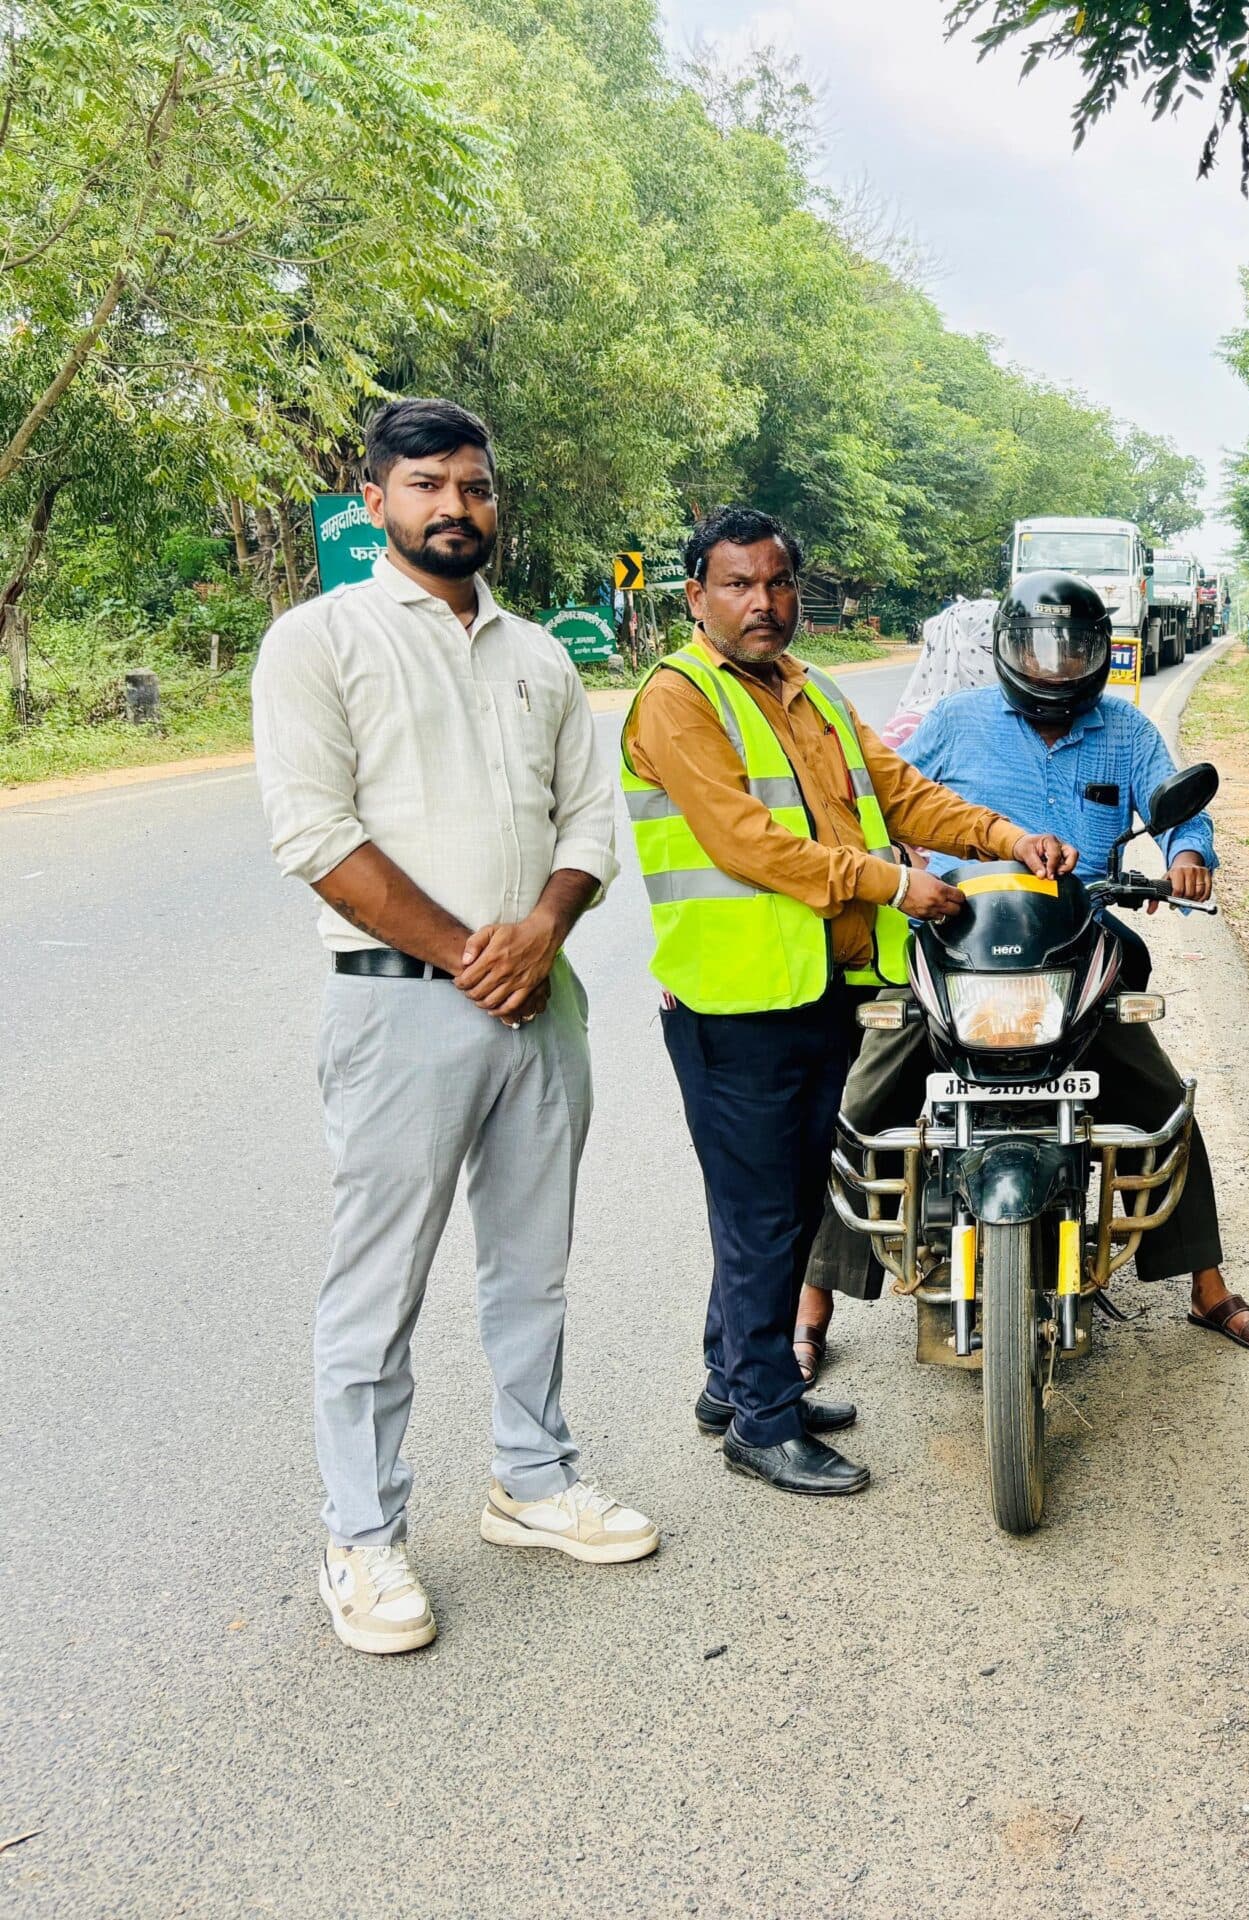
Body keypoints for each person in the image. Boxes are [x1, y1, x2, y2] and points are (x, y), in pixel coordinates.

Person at [253, 398, 657, 1658]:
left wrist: (541, 932)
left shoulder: (539, 655)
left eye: (475, 487)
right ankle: (361, 1540)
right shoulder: (318, 642)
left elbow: (589, 822)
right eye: (427, 484)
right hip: (397, 1007)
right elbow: (316, 835)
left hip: (545, 1004)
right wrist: (472, 954)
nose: (455, 508)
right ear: (373, 500)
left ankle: (532, 1483)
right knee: (380, 1284)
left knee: (531, 1265)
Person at [622, 507, 1073, 1496]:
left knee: (784, 1201)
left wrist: (1006, 838)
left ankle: (733, 1382)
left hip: (824, 990)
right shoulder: (677, 697)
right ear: (694, 596)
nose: (764, 602)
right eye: (738, 584)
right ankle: (763, 1423)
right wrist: (892, 885)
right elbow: (747, 842)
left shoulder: (809, 691)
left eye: (779, 582)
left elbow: (901, 791)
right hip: (733, 1000)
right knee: (759, 1215)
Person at [825, 571, 1249, 1355]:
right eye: (1037, 648)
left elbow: (1178, 810)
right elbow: (881, 793)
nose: (1054, 666)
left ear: (1100, 652)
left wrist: (1187, 857)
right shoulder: (955, 720)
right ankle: (813, 1306)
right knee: (858, 1108)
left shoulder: (1126, 730)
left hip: (1075, 957)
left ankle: (1207, 1289)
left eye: (1073, 649)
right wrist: (890, 857)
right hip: (955, 948)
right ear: (1005, 650)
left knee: (1164, 1104)